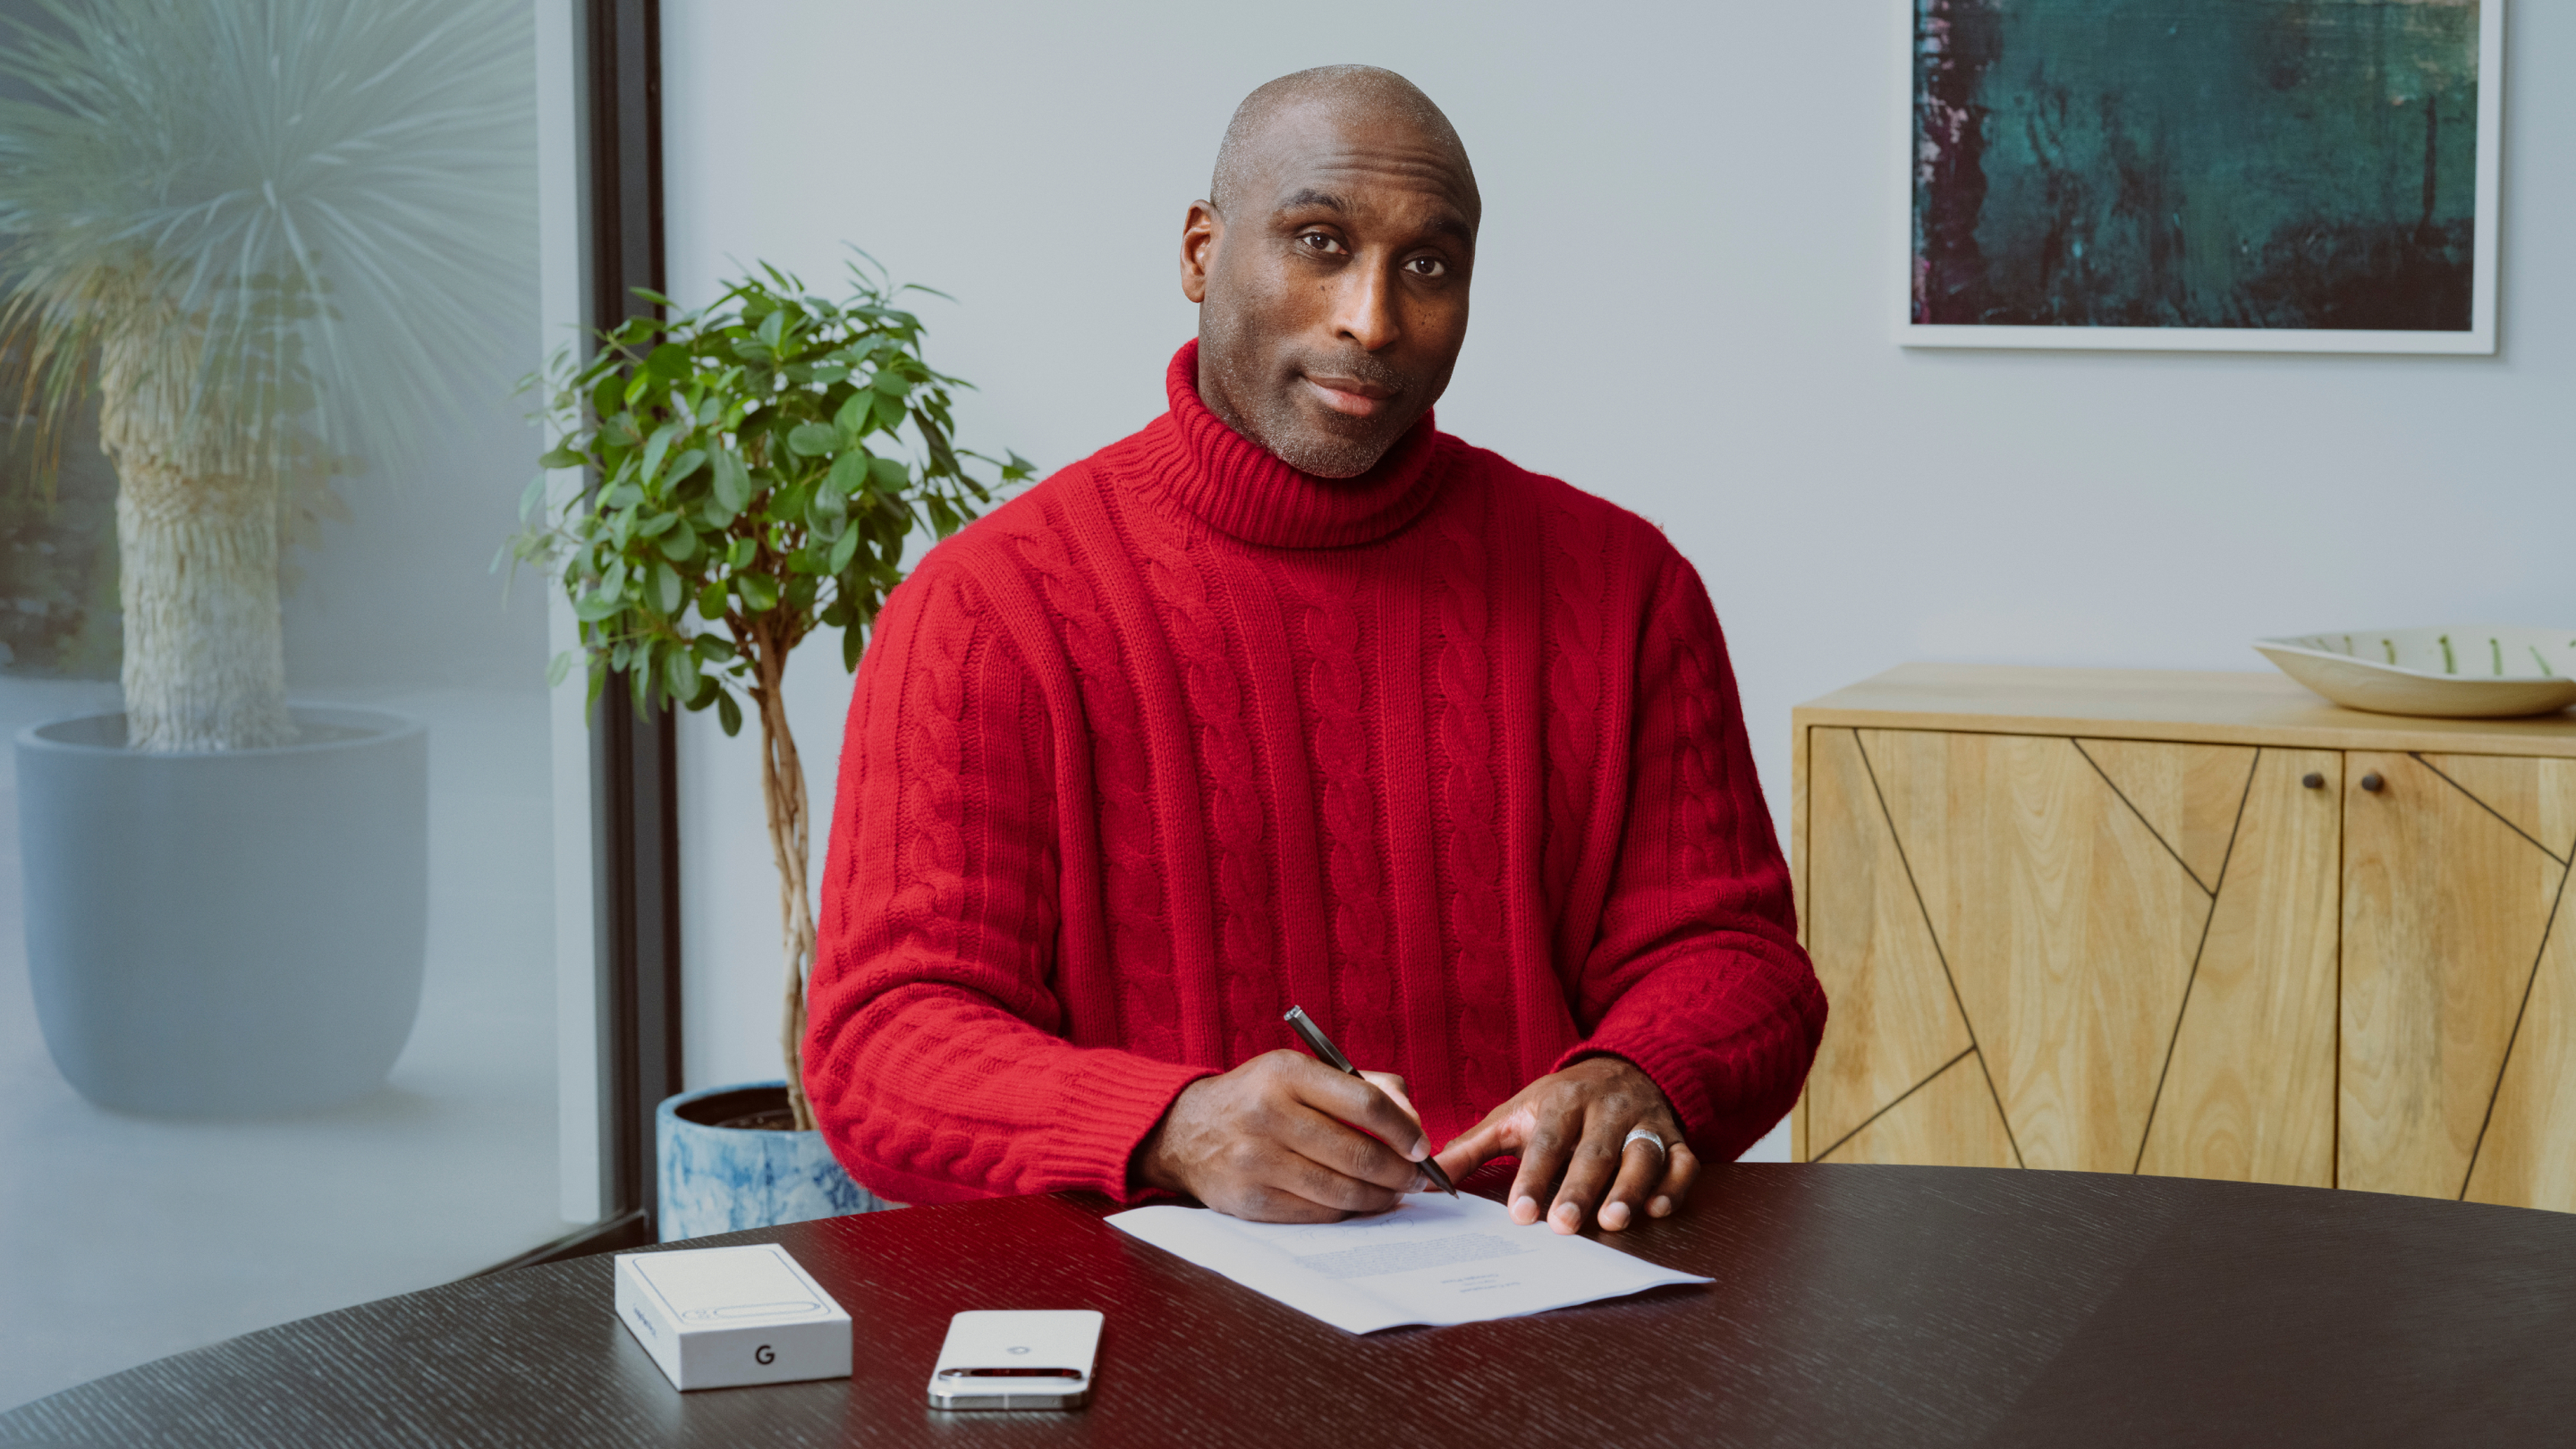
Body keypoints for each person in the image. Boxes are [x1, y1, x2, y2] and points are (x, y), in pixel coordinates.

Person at [805, 65, 1825, 1234]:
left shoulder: (1624, 586)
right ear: (1200, 253)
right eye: (1318, 242)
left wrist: (1642, 1073)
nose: (1372, 319)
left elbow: (1740, 964)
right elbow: (882, 1044)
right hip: (1149, 1345)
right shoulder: (990, 609)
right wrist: (1174, 1127)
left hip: (1546, 1305)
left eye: (1428, 266)